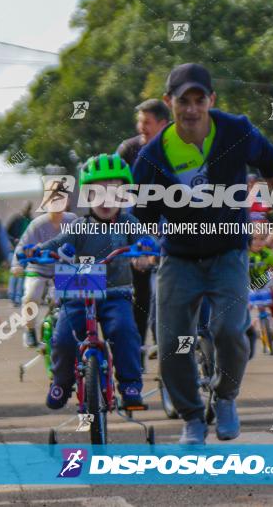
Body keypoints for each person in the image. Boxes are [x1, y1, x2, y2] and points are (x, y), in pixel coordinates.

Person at [132, 63, 273, 444]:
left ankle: (225, 397)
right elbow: (140, 215)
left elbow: (271, 162)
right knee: (173, 343)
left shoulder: (235, 130)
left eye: (198, 100)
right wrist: (138, 244)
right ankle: (192, 417)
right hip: (178, 258)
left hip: (228, 251)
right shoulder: (152, 158)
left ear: (211, 100)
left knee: (229, 331)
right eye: (182, 102)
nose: (191, 109)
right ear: (168, 103)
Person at [27, 154, 152, 410]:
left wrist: (145, 256)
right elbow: (55, 244)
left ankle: (130, 385)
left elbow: (145, 244)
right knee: (63, 338)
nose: (106, 200)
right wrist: (36, 249)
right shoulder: (79, 227)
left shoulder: (130, 224)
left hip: (116, 294)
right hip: (77, 294)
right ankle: (61, 382)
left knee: (125, 331)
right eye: (97, 193)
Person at [117, 99, 171, 358]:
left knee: (165, 292)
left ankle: (163, 345)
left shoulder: (178, 149)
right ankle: (137, 351)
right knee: (139, 293)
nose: (141, 127)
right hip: (137, 231)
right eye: (139, 121)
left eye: (146, 122)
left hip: (171, 227)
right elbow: (115, 191)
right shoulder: (128, 150)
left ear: (163, 124)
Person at [11, 180, 77, 348]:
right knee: (31, 295)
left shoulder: (73, 221)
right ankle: (30, 330)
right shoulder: (37, 224)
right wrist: (17, 265)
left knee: (68, 300)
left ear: (67, 201)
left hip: (62, 270)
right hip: (38, 268)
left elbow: (84, 242)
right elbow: (21, 246)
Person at [7, 202, 33, 307]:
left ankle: (18, 296)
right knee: (15, 272)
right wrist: (14, 240)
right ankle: (12, 295)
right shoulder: (16, 219)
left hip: (27, 251)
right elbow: (7, 232)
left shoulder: (31, 221)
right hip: (16, 249)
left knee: (22, 274)